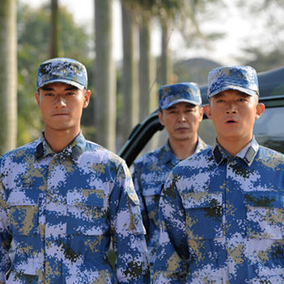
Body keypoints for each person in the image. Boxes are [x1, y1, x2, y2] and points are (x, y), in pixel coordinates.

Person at [0, 57, 149, 284]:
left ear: (86, 98)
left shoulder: (110, 169)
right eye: (50, 93)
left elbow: (132, 255)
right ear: (38, 99)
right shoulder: (10, 167)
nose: (60, 102)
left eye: (70, 93)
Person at [153, 66, 284, 283]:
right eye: (221, 100)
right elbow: (170, 263)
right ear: (208, 111)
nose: (231, 109)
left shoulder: (279, 172)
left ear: (259, 110)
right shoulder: (183, 177)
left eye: (241, 100)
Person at [132, 82, 208, 277]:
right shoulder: (144, 167)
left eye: (189, 110)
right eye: (172, 111)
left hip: (207, 275)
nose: (181, 118)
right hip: (160, 275)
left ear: (201, 113)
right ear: (161, 117)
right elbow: (135, 233)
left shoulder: (217, 164)